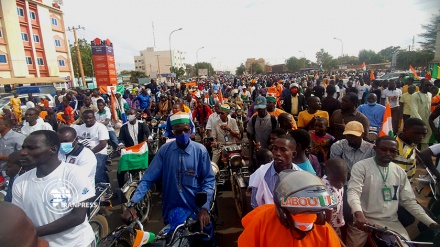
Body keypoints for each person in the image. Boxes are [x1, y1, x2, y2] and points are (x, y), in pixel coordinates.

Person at [122, 112, 216, 245]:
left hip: (195, 210)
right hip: (171, 210)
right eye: (178, 131)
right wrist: (133, 204)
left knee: (206, 236)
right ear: (172, 132)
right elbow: (148, 178)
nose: (183, 134)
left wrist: (204, 208)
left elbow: (208, 180)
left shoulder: (200, 151)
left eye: (186, 130)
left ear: (191, 129)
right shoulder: (164, 151)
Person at [346, 136, 439, 247]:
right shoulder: (361, 167)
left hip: (391, 222)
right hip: (364, 220)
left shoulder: (399, 172)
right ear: (375, 149)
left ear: (396, 153)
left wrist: (430, 223)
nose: (388, 153)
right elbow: (353, 192)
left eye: (392, 151)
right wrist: (359, 214)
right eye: (383, 149)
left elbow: (409, 202)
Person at [12, 130, 96, 247]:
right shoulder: (20, 182)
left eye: (31, 148)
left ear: (53, 149)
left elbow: (78, 216)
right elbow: (20, 217)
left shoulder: (74, 173)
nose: (23, 152)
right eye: (23, 148)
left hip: (78, 243)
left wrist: (33, 232)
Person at [239, 170, 341, 247]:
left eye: (310, 214)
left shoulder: (324, 229)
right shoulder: (262, 221)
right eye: (300, 214)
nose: (306, 220)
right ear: (283, 214)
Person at [249, 135, 301, 208]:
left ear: (294, 154)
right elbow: (255, 204)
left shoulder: (301, 176)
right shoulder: (261, 174)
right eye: (275, 148)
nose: (277, 153)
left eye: (283, 150)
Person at [73, 110, 109, 184]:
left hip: (99, 153)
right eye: (85, 118)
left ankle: (103, 190)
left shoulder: (100, 127)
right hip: (83, 154)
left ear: (94, 118)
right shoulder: (79, 128)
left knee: (97, 175)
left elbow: (103, 144)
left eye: (90, 118)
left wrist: (90, 152)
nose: (88, 120)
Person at [247, 96, 278, 169]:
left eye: (262, 108)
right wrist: (250, 159)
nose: (260, 110)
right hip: (258, 154)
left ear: (266, 106)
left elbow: (277, 138)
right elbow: (250, 139)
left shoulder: (273, 120)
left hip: (270, 154)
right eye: (258, 108)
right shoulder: (253, 120)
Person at [322, 158, 348, 238]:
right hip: (327, 222)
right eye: (336, 180)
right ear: (326, 173)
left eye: (343, 180)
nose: (340, 184)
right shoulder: (325, 189)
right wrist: (328, 225)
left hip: (335, 219)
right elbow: (328, 210)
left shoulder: (336, 179)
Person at [411, 79, 433, 150]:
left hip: (427, 119)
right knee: (416, 137)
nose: (429, 87)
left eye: (430, 85)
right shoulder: (415, 95)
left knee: (426, 136)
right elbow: (414, 109)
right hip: (417, 120)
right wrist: (420, 121)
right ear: (422, 85)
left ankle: (424, 153)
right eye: (427, 85)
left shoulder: (430, 94)